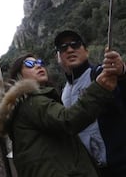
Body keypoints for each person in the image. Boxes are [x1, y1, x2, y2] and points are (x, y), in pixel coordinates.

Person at [0, 53, 119, 177]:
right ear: (19, 76)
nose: (38, 66)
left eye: (40, 63)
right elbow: (68, 120)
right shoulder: (32, 102)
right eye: (30, 64)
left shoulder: (24, 105)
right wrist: (99, 89)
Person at [54, 30, 126, 176]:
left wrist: (122, 72)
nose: (69, 49)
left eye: (75, 44)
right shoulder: (64, 92)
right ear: (58, 57)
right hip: (92, 171)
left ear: (86, 51)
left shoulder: (100, 74)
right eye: (63, 47)